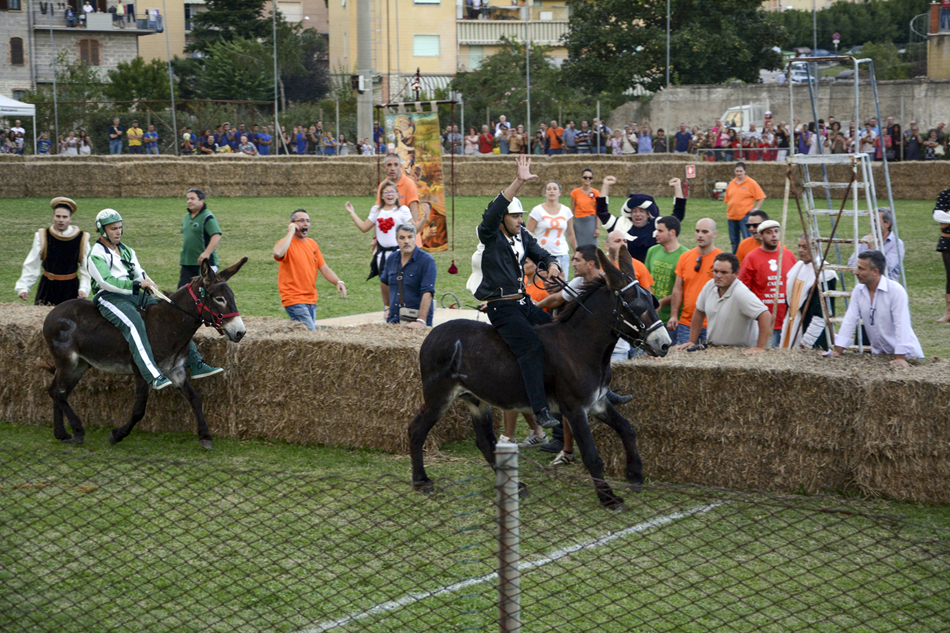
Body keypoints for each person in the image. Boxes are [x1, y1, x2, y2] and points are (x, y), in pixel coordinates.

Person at [466, 155, 561, 429]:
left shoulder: (521, 236)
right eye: (515, 215)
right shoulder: (490, 234)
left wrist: (552, 263)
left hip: (524, 304)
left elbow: (541, 253)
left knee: (559, 331)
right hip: (502, 308)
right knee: (531, 347)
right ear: (502, 219)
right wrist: (518, 182)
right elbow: (491, 213)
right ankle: (540, 409)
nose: (520, 220)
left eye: (521, 215)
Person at [87, 209, 172, 390]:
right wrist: (136, 285)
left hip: (133, 293)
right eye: (113, 229)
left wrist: (150, 284)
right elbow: (106, 282)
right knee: (135, 323)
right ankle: (153, 376)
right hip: (108, 297)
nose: (118, 232)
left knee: (166, 313)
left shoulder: (126, 250)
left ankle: (194, 362)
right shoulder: (96, 254)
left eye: (120, 227)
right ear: (103, 231)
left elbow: (138, 272)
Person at [831, 250, 923, 368]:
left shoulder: (896, 291)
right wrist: (838, 351)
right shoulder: (858, 291)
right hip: (880, 357)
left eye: (861, 269)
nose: (855, 272)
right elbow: (850, 320)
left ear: (875, 272)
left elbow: (902, 324)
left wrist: (900, 357)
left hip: (908, 356)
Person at [675, 253, 770, 353]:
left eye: (724, 272)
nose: (718, 276)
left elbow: (765, 314)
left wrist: (760, 347)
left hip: (739, 351)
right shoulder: (709, 286)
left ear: (736, 273)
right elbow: (699, 312)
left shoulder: (741, 293)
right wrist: (692, 341)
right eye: (716, 271)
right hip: (714, 349)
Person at [273, 209, 347, 331]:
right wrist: (291, 232)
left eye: (308, 221)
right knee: (310, 335)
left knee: (304, 339)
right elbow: (277, 252)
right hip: (294, 299)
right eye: (301, 221)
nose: (306, 224)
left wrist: (338, 281)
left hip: (311, 299)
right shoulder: (286, 243)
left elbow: (324, 268)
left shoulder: (312, 244)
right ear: (293, 223)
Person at [346, 180, 413, 306]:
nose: (389, 194)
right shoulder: (377, 210)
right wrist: (352, 213)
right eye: (386, 192)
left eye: (392, 191)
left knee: (400, 283)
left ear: (397, 194)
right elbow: (364, 227)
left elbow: (414, 228)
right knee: (385, 283)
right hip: (382, 254)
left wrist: (424, 219)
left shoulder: (402, 210)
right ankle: (387, 308)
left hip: (398, 253)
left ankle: (403, 308)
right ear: (381, 195)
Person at [16, 197, 91, 305]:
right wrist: (23, 287)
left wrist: (83, 289)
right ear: (53, 217)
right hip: (47, 288)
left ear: (70, 219)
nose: (61, 220)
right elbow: (32, 263)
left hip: (70, 289)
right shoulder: (43, 236)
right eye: (58, 216)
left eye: (65, 217)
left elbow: (87, 268)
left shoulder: (82, 238)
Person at [596, 176, 687, 263]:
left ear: (648, 214)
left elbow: (677, 216)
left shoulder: (657, 226)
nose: (637, 214)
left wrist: (677, 187)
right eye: (634, 211)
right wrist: (605, 185)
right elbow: (601, 212)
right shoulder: (621, 225)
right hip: (625, 272)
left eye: (642, 211)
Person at [738, 220, 797, 348]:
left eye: (776, 231)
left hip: (786, 320)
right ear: (760, 236)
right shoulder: (751, 258)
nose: (774, 235)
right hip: (763, 320)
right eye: (769, 232)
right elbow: (741, 290)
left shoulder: (789, 255)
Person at [668, 218, 723, 345]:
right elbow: (677, 289)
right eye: (697, 231)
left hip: (712, 324)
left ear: (715, 234)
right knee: (683, 360)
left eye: (705, 232)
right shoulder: (685, 257)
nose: (700, 235)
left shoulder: (721, 259)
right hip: (687, 323)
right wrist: (674, 315)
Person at [779, 235, 837, 350]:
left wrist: (807, 341)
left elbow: (821, 314)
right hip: (793, 324)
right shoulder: (798, 267)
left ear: (816, 249)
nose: (800, 250)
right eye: (799, 246)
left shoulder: (825, 274)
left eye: (805, 247)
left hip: (810, 328)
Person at [381, 222, 436, 327]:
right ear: (397, 240)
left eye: (410, 237)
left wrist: (421, 321)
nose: (406, 241)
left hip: (415, 320)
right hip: (394, 319)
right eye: (402, 238)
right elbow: (384, 282)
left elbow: (427, 292)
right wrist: (387, 307)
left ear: (415, 238)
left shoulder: (427, 261)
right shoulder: (392, 259)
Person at [645, 214, 688, 328]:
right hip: (652, 317)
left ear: (672, 232)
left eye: (660, 231)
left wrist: (662, 302)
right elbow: (645, 280)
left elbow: (683, 289)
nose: (656, 234)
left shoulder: (685, 256)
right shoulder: (652, 251)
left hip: (673, 319)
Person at [527, 180, 576, 277]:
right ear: (545, 193)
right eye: (549, 189)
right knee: (544, 285)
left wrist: (576, 251)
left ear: (559, 193)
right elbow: (528, 233)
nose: (552, 191)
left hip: (562, 254)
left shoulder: (566, 211)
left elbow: (570, 233)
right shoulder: (537, 211)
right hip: (542, 255)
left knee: (561, 285)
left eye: (555, 189)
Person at [178, 188, 222, 289]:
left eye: (192, 198)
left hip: (204, 264)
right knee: (182, 293)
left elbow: (216, 235)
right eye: (188, 199)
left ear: (201, 201)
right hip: (187, 263)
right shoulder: (186, 217)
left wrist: (206, 253)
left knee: (202, 294)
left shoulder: (207, 217)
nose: (189, 201)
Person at [847, 208, 905, 283]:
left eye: (875, 221)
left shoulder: (897, 244)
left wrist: (873, 248)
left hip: (887, 289)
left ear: (887, 224)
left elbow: (886, 268)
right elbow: (851, 263)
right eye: (871, 221)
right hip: (865, 288)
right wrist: (869, 269)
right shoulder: (865, 239)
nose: (871, 224)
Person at [723, 162, 766, 254]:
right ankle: (736, 258)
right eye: (737, 171)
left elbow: (761, 197)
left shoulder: (751, 183)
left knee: (748, 238)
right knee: (734, 241)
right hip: (731, 216)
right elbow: (727, 199)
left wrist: (756, 209)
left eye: (740, 171)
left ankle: (750, 256)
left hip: (745, 216)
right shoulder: (731, 183)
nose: (738, 173)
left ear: (745, 171)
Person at [376, 153, 422, 229]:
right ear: (384, 167)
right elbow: (379, 212)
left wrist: (409, 233)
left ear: (400, 166)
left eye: (396, 165)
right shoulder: (382, 186)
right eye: (389, 165)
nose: (392, 168)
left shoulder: (409, 184)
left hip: (406, 235)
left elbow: (414, 213)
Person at [569, 168, 600, 248]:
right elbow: (572, 210)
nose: (587, 179)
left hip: (591, 223)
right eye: (585, 177)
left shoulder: (596, 193)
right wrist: (570, 226)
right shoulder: (575, 193)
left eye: (590, 178)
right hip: (579, 222)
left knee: (592, 247)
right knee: (579, 247)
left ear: (592, 180)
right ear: (581, 179)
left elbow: (598, 211)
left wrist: (597, 227)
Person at [933, 190, 950, 323]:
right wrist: (943, 218)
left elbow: (943, 220)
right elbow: (938, 216)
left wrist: (947, 217)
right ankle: (949, 312)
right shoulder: (945, 194)